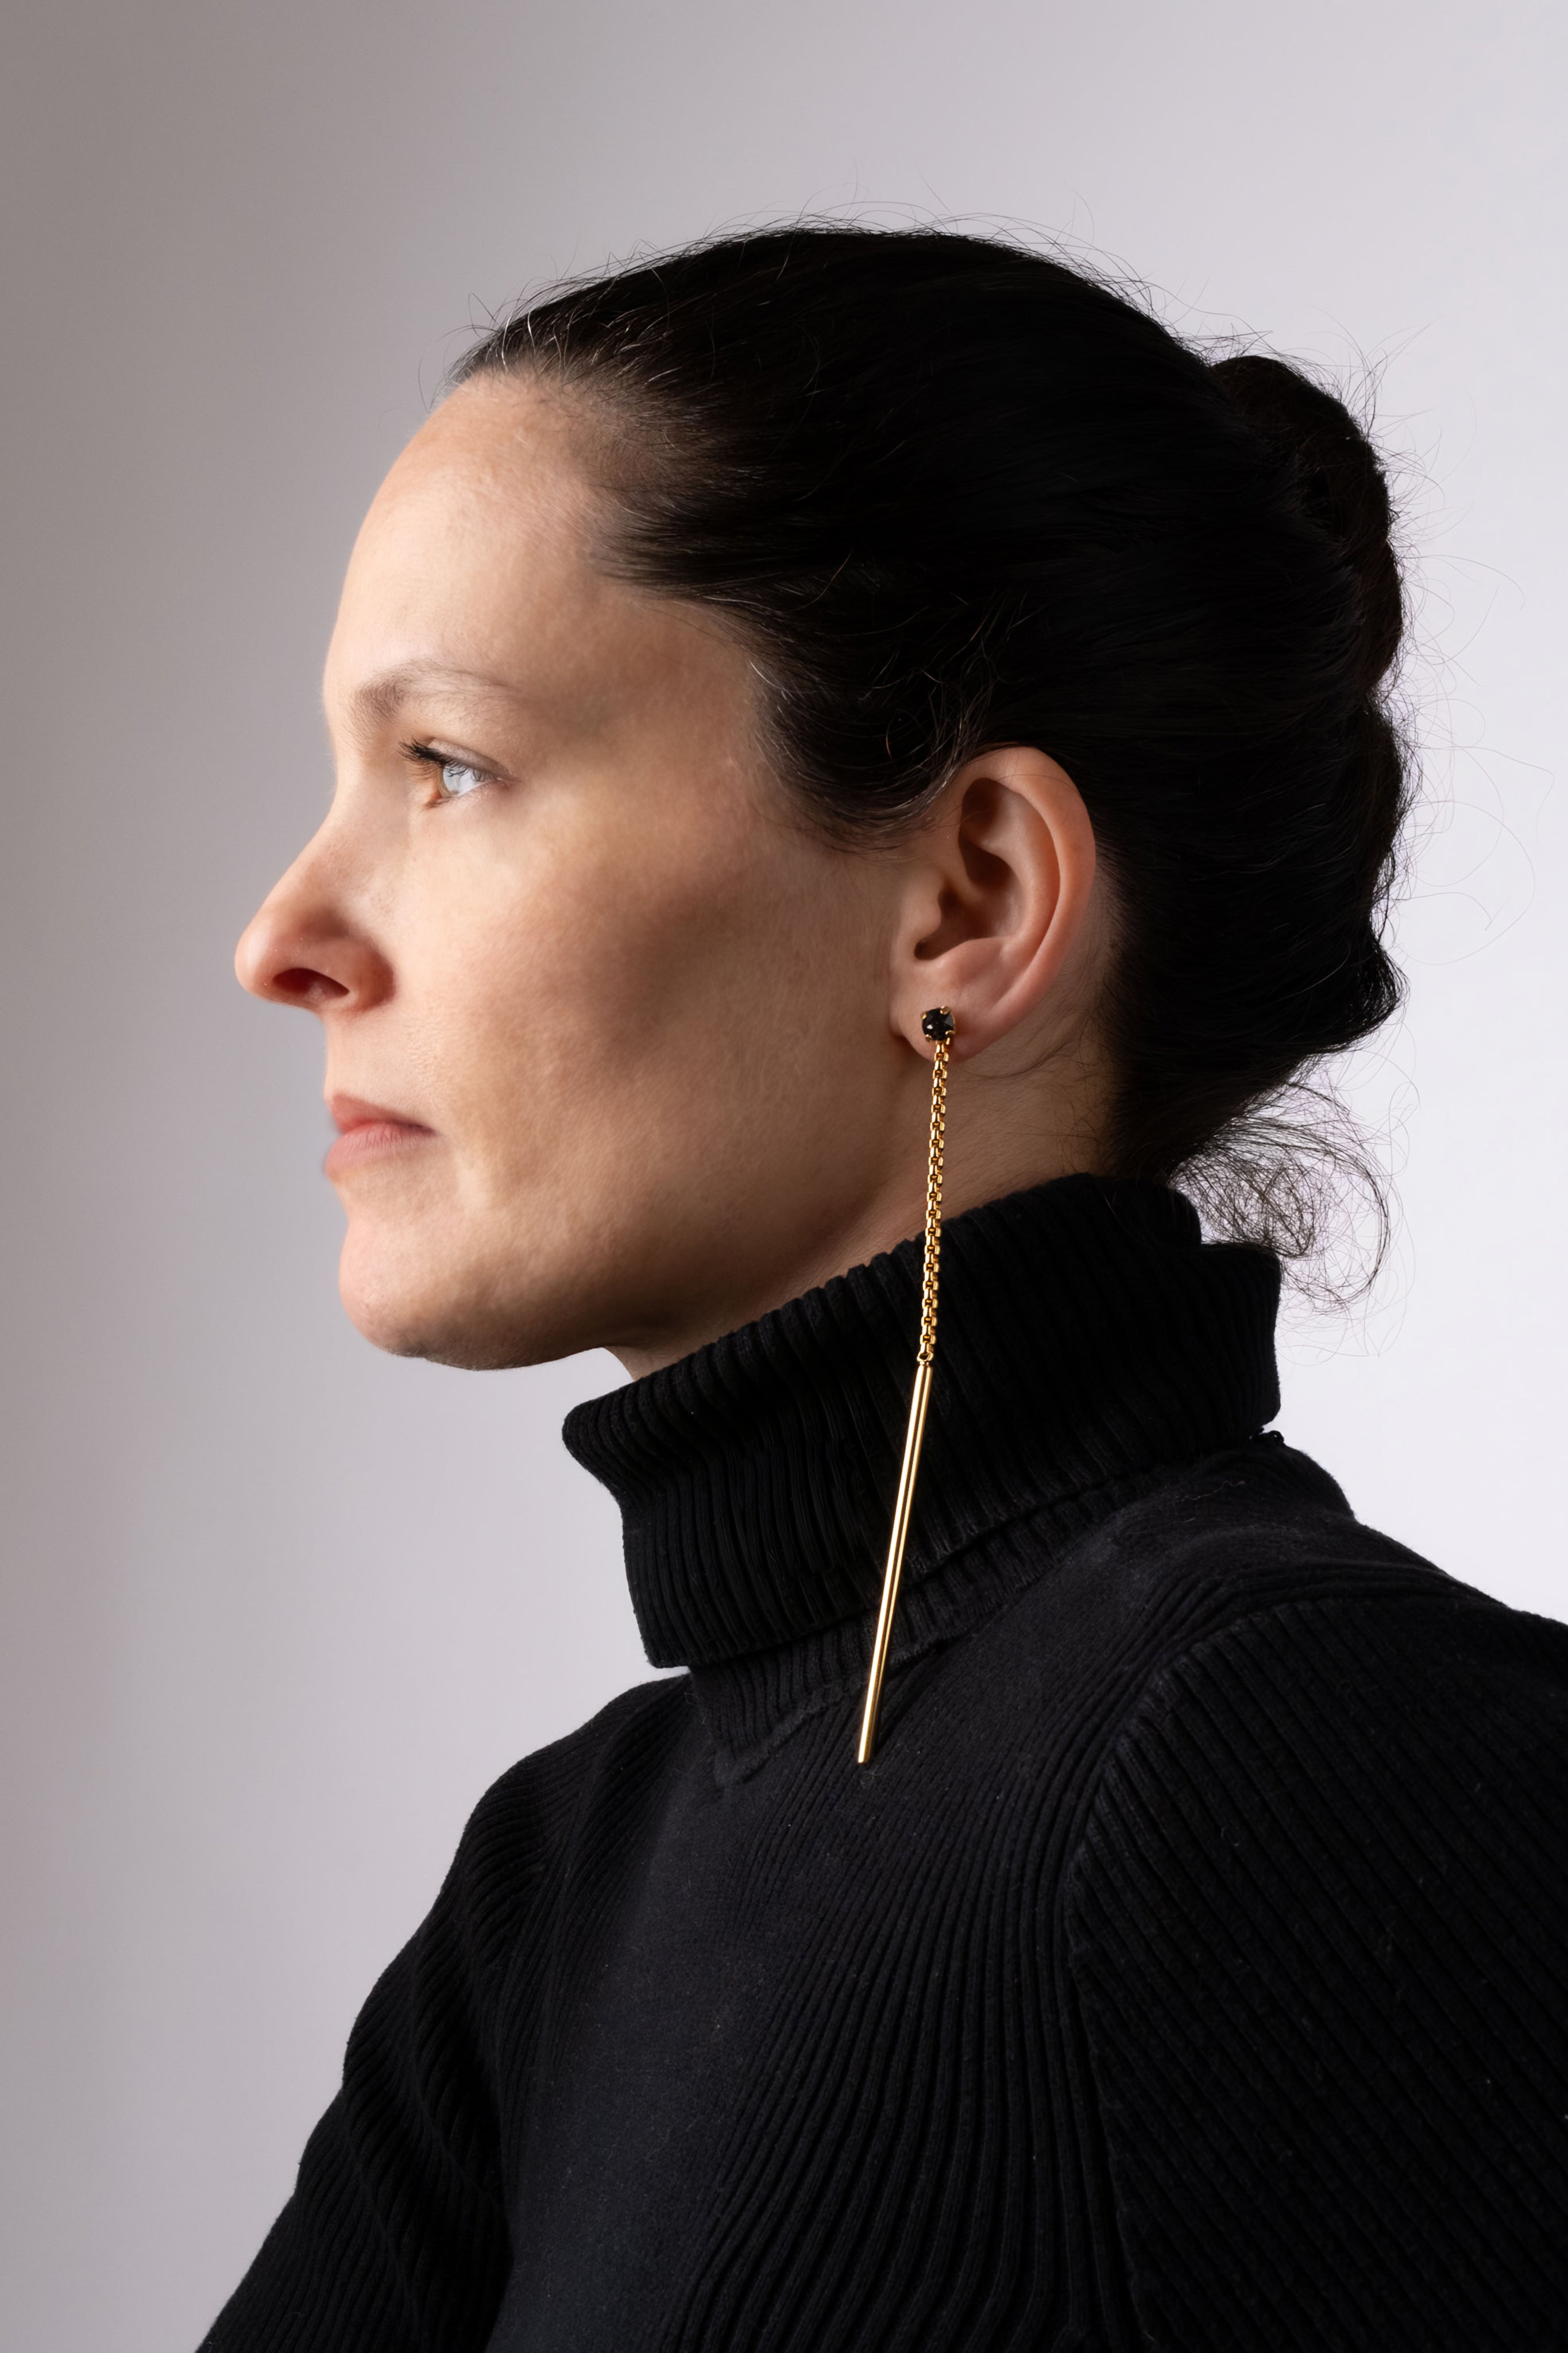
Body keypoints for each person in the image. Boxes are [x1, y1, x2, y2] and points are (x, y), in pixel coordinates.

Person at [203, 226, 1567, 2351]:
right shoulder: (564, 1888)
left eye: (447, 765)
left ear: (969, 897)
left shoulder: (1337, 1771)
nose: (285, 932)